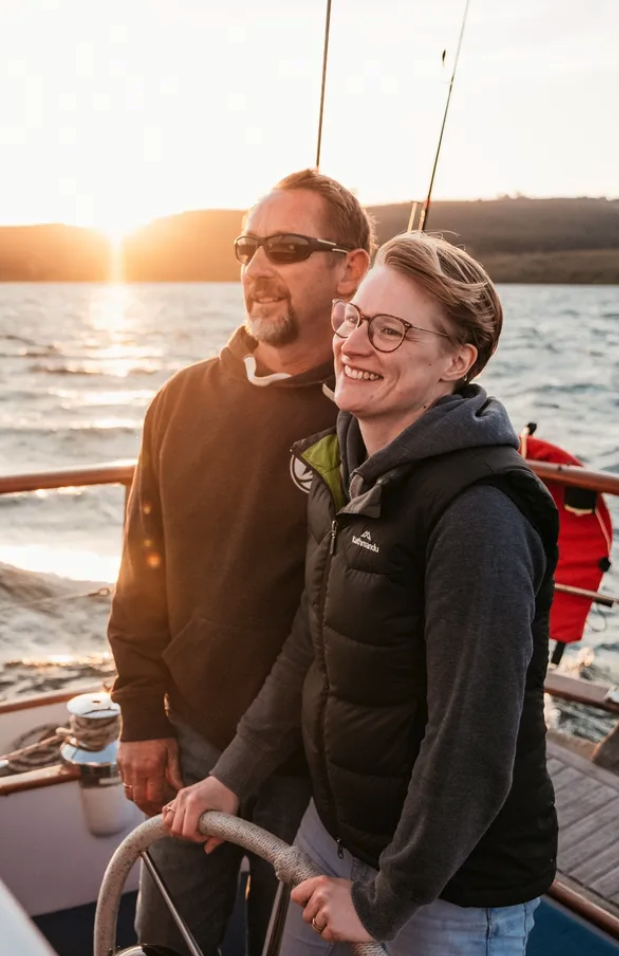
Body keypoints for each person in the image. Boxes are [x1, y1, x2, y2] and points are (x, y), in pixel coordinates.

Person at [164, 232, 560, 956]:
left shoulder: (479, 516)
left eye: (390, 330)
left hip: (447, 889)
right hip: (333, 837)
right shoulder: (349, 469)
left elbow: (471, 738)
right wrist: (233, 777)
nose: (353, 342)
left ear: (456, 361)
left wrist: (385, 901)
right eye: (352, 316)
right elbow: (308, 646)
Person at [107, 169, 373, 956]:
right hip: (186, 740)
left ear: (350, 269)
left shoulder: (369, 420)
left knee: (284, 948)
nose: (257, 267)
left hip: (313, 763)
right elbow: (138, 570)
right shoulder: (179, 401)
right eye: (246, 247)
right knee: (165, 943)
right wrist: (140, 715)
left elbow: (339, 615)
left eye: (286, 248)